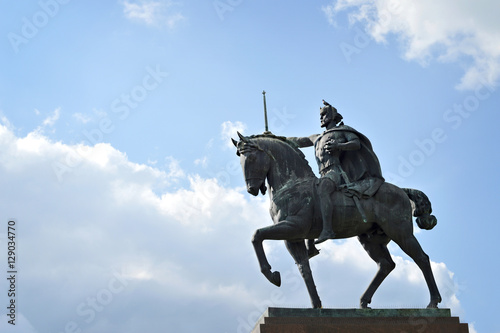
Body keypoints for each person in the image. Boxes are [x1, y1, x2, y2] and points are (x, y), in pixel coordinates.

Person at [288, 101, 384, 249]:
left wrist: (339, 146)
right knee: (309, 195)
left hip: (336, 171)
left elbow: (356, 143)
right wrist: (274, 138)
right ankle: (311, 243)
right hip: (322, 173)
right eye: (320, 116)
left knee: (323, 189)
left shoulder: (343, 131)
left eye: (324, 115)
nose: (321, 118)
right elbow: (297, 141)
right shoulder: (317, 137)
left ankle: (327, 230)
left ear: (332, 116)